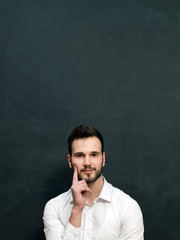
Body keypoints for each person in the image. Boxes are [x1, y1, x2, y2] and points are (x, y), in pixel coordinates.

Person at [43, 125, 144, 240]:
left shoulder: (127, 207)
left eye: (94, 155)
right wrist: (76, 210)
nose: (87, 162)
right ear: (70, 161)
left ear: (103, 159)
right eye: (80, 155)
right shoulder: (54, 208)